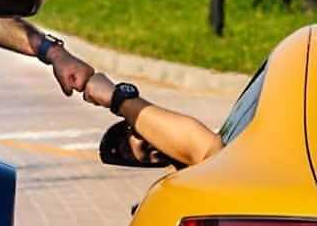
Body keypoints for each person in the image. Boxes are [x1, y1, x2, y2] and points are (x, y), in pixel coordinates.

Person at [83, 72, 223, 168]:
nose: (152, 139)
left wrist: (118, 98)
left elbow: (204, 149)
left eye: (141, 130)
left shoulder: (222, 164)